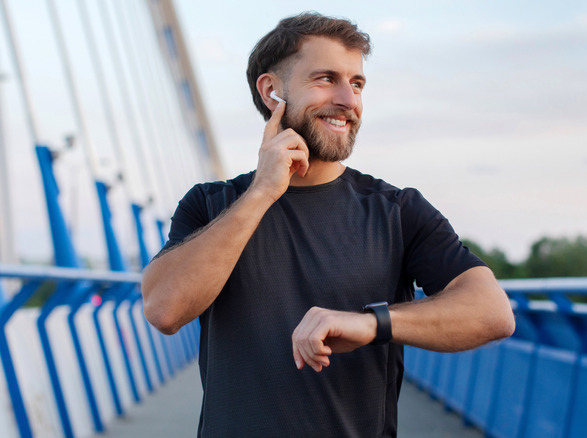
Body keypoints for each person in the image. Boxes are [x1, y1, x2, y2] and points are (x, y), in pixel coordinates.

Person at [141, 12, 515, 437]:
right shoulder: (210, 205)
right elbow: (164, 309)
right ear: (271, 91)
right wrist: (262, 192)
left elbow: (493, 312)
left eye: (356, 84)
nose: (348, 100)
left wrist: (372, 323)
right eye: (326, 79)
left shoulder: (397, 211)